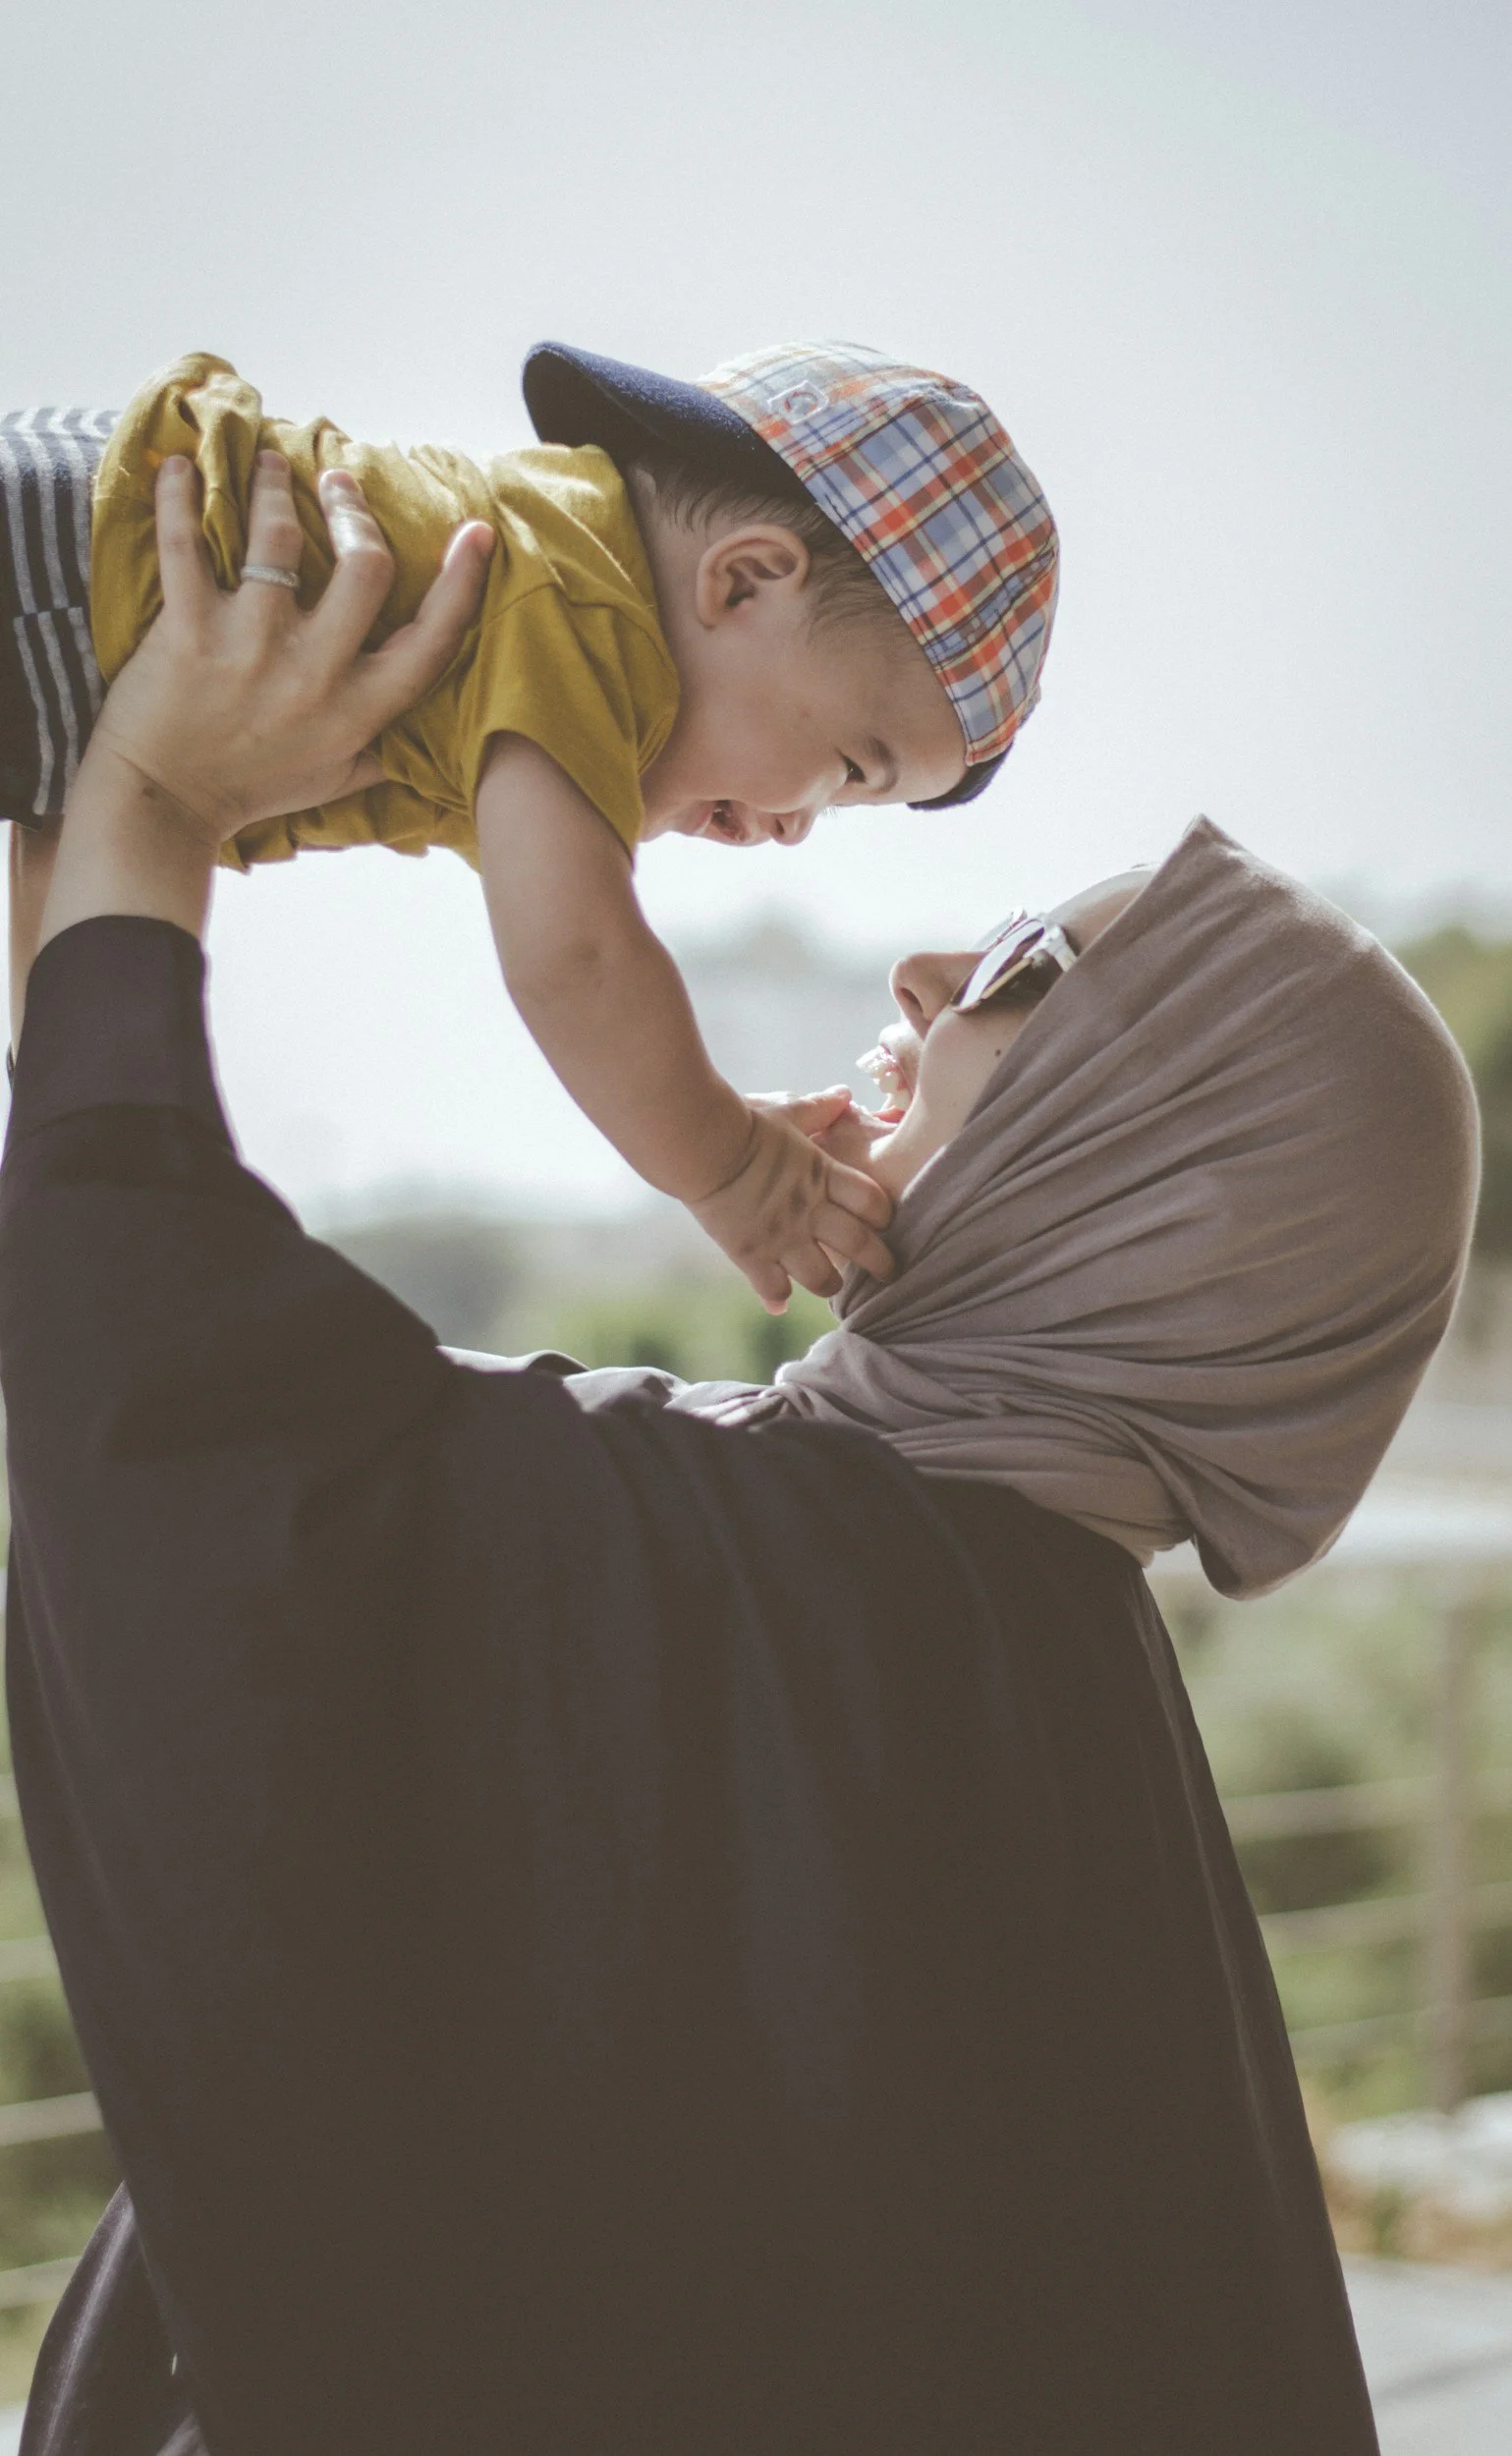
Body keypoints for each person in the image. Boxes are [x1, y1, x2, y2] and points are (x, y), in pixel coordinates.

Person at [0, 462, 1478, 2455]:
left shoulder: (793, 1581)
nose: (924, 972)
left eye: (1027, 966)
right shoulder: (1029, 1654)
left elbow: (180, 1400)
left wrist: (150, 822)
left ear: (1148, 1189)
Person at [0, 334, 1058, 1311]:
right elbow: (577, 957)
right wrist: (730, 1164)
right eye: (846, 770)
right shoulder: (587, 614)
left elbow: (76, 813)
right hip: (52, 560)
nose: (795, 830)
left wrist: (59, 1091)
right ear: (743, 582)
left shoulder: (542, 612)